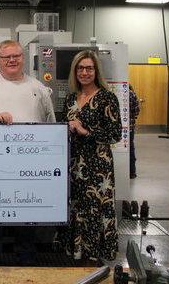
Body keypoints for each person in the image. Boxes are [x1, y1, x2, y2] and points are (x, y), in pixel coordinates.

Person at [0, 40, 56, 266]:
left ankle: (27, 262)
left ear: (23, 58)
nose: (12, 61)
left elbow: (50, 124)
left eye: (16, 56)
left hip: (29, 167)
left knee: (26, 214)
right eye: (6, 57)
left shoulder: (38, 88)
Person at [59, 50, 121, 265]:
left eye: (89, 68)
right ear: (75, 72)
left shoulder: (107, 98)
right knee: (75, 207)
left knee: (93, 208)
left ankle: (93, 257)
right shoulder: (69, 100)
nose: (84, 72)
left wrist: (86, 131)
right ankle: (75, 253)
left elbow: (115, 134)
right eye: (80, 68)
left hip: (97, 166)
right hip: (73, 163)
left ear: (96, 71)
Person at [129, 85, 140, 179]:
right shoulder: (132, 94)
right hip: (129, 127)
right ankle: (132, 172)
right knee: (130, 148)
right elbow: (136, 111)